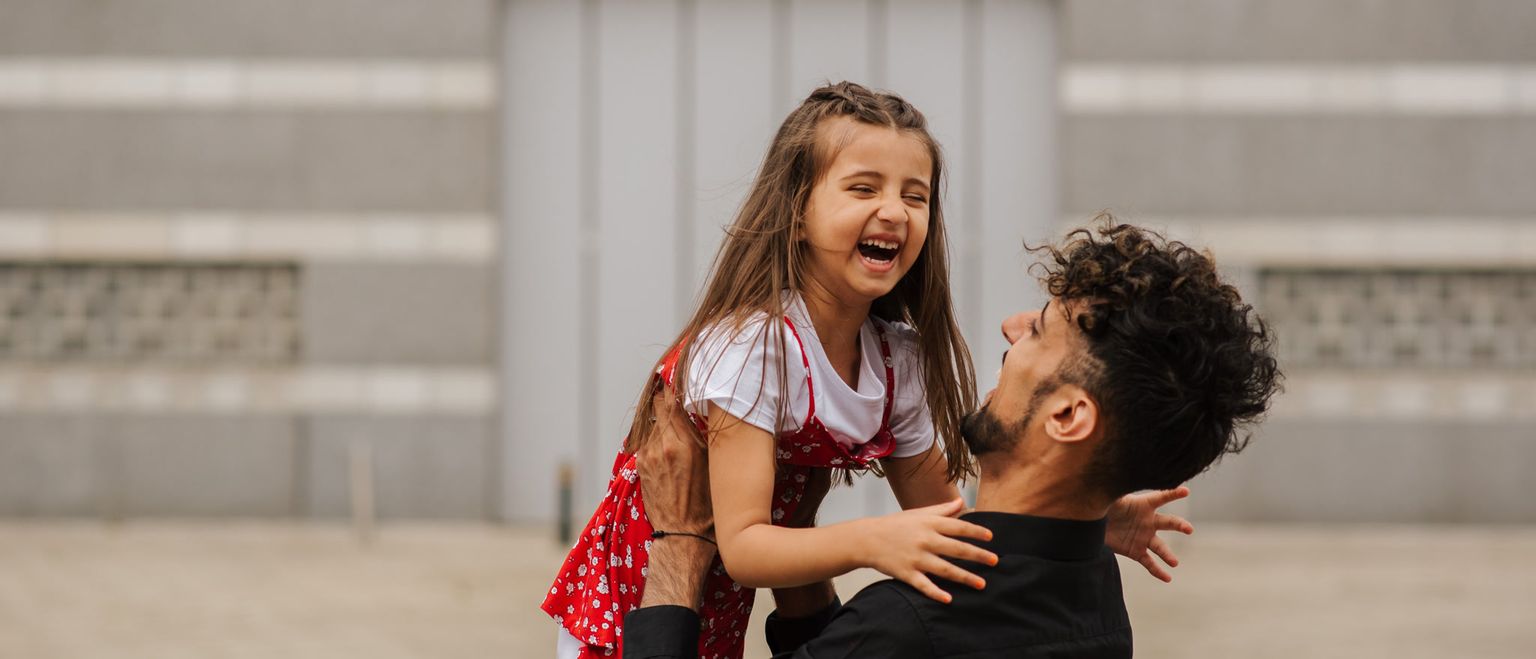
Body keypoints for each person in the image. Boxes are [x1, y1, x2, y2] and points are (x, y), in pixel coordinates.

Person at [542, 83, 1183, 659]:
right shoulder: (754, 346)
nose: (895, 211)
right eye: (863, 188)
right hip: (629, 602)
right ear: (796, 213)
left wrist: (1088, 521)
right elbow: (745, 549)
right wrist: (874, 541)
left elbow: (948, 521)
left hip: (717, 609)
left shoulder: (896, 359)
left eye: (915, 195)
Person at [622, 222, 1283, 658]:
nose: (1010, 327)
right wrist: (1090, 510)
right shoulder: (1095, 597)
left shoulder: (909, 623)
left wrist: (678, 550)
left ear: (1067, 417)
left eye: (1039, 330)